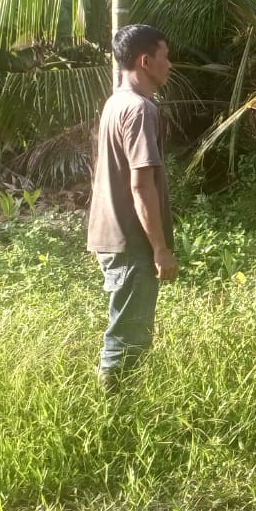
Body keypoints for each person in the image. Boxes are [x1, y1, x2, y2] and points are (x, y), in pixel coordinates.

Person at [87, 24, 178, 394]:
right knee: (128, 335)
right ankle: (116, 410)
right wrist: (160, 248)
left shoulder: (115, 103)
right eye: (164, 56)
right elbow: (141, 185)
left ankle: (122, 402)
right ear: (145, 61)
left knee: (128, 328)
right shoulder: (140, 110)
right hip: (131, 241)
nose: (169, 64)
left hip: (112, 236)